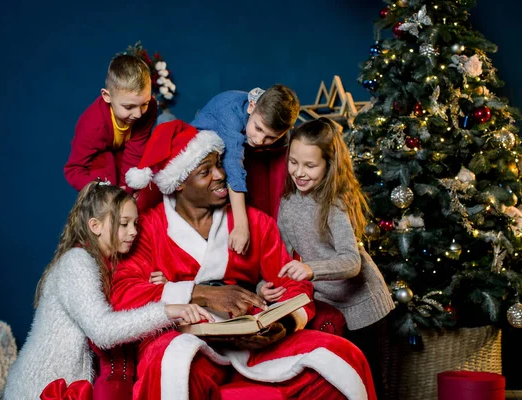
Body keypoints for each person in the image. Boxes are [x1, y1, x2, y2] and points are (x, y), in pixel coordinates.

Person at [119, 120, 377, 400]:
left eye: (220, 164)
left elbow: (291, 283)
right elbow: (124, 291)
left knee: (340, 358)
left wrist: (285, 323)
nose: (221, 175)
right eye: (206, 171)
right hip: (185, 337)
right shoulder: (146, 229)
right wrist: (200, 294)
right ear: (179, 183)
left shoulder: (255, 223)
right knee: (172, 363)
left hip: (252, 341)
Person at [4, 181, 212, 400]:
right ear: (95, 226)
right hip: (39, 388)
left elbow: (123, 311)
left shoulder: (104, 264)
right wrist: (167, 310)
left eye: (135, 223)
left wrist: (160, 287)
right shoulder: (77, 262)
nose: (133, 232)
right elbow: (103, 331)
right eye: (124, 224)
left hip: (66, 385)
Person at [259, 117, 395, 396]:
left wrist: (309, 268)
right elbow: (281, 258)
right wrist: (265, 285)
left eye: (310, 165)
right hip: (327, 304)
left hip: (365, 307)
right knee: (336, 382)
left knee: (372, 385)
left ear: (329, 165)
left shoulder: (335, 202)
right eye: (293, 162)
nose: (299, 172)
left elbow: (351, 262)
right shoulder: (288, 200)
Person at [190, 85, 299, 254]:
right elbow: (233, 165)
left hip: (243, 150)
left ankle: (279, 242)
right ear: (251, 106)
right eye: (258, 128)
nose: (261, 140)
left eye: (271, 137)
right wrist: (241, 225)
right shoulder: (231, 111)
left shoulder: (278, 132)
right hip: (201, 145)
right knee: (230, 169)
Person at [64, 53, 158, 193]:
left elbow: (135, 151)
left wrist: (127, 192)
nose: (138, 114)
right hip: (98, 170)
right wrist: (107, 193)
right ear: (107, 96)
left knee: (149, 162)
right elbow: (73, 170)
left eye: (144, 103)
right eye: (128, 107)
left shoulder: (149, 109)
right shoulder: (93, 125)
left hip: (124, 157)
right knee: (106, 160)